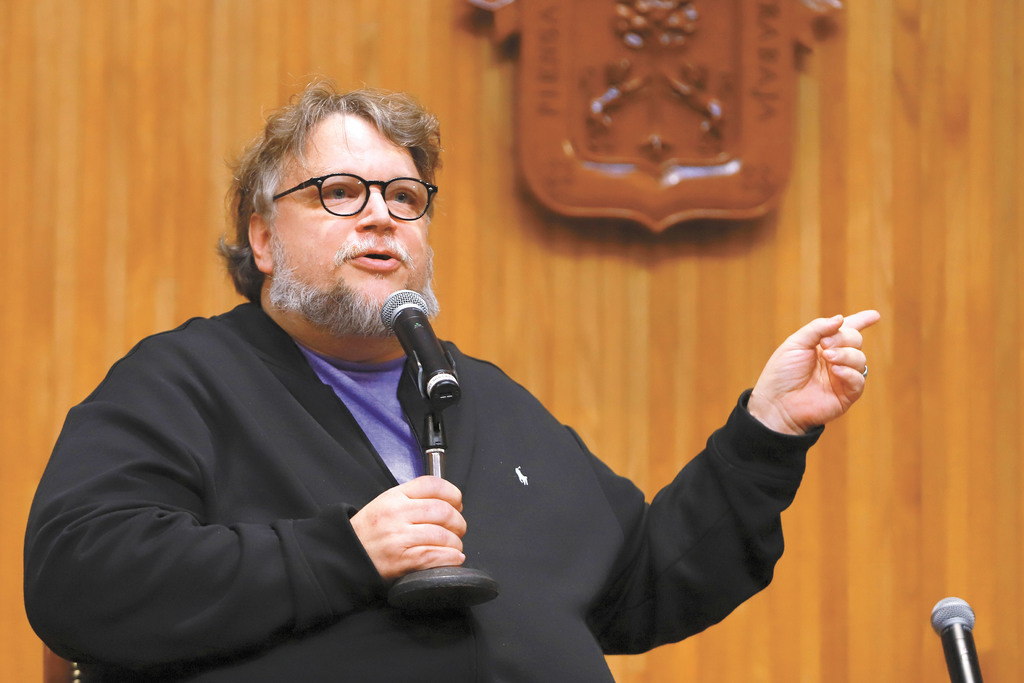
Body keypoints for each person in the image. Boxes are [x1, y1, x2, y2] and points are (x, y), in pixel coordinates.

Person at [24, 82, 880, 682]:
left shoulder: (481, 394)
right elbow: (77, 576)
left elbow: (641, 585)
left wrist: (766, 431)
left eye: (405, 196)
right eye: (339, 192)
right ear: (261, 237)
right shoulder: (183, 381)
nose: (380, 216)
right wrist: (345, 552)